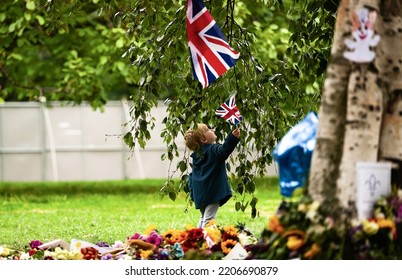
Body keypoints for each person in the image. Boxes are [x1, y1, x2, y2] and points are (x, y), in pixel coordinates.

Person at [184, 123, 241, 228]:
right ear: (204, 139)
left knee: (203, 217)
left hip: (200, 193)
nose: (212, 129)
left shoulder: (197, 155)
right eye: (208, 130)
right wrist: (232, 137)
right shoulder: (212, 149)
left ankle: (197, 238)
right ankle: (206, 241)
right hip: (211, 192)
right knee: (209, 219)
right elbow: (224, 150)